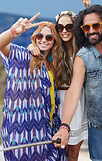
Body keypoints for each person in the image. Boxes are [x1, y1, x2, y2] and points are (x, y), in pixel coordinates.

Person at [53, 2, 102, 161]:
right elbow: (74, 91)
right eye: (86, 28)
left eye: (96, 25)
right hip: (98, 121)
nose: (91, 30)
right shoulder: (83, 56)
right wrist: (65, 125)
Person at [0, 13, 67, 161]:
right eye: (40, 36)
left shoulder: (54, 65)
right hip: (22, 134)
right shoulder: (23, 56)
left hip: (48, 129)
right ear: (35, 38)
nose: (44, 40)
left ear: (55, 41)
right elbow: (0, 44)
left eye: (49, 37)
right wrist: (14, 31)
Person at [28, 10, 88, 161]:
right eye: (60, 27)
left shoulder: (82, 49)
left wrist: (88, 6)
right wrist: (31, 46)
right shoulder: (55, 49)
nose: (64, 30)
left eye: (69, 26)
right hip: (57, 101)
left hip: (77, 101)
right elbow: (39, 47)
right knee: (59, 149)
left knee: (74, 152)